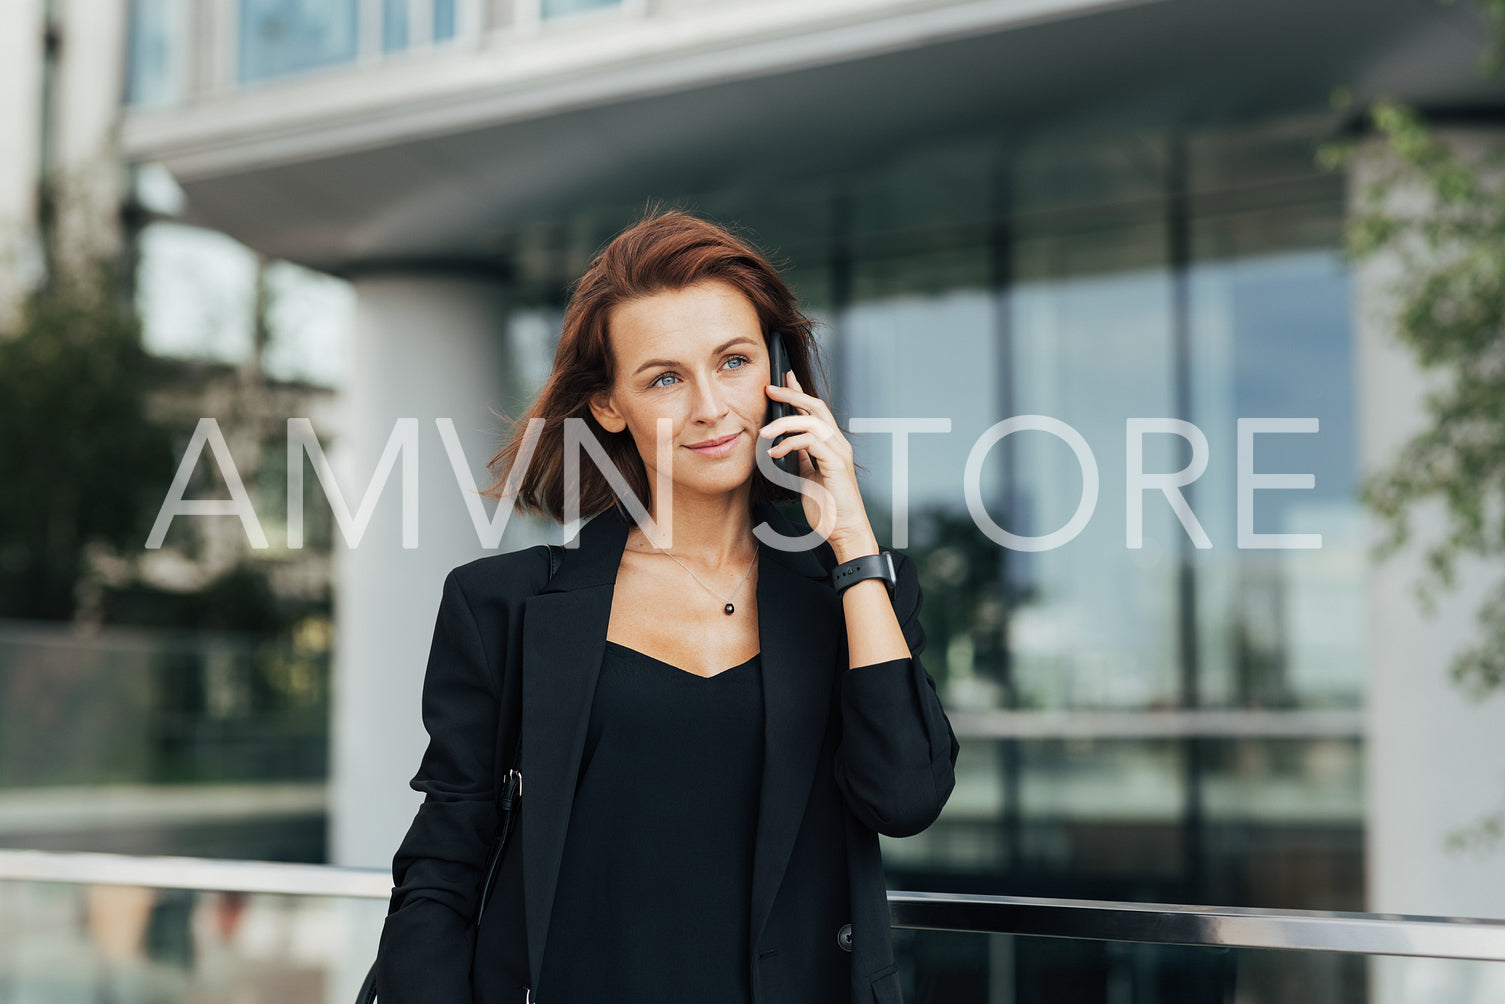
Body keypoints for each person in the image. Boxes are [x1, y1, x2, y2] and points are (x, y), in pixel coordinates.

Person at [373, 208, 958, 1004]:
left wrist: (851, 543)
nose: (712, 407)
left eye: (733, 361)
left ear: (777, 371)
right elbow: (445, 858)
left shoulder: (856, 596)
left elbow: (905, 798)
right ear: (610, 406)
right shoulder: (502, 606)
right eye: (665, 377)